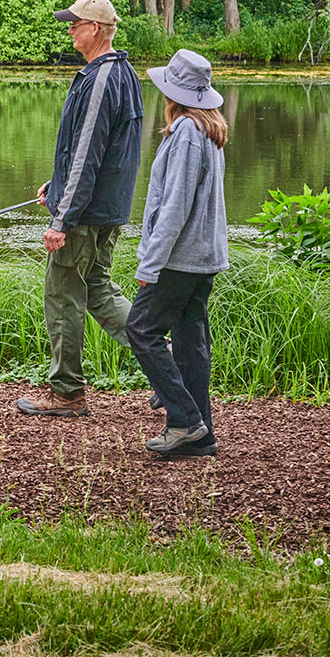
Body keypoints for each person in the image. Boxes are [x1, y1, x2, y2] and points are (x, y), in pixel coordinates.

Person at [15, 0, 143, 418]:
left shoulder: (102, 77)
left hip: (86, 215)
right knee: (100, 289)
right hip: (103, 208)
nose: (69, 29)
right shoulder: (119, 73)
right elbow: (95, 152)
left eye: (75, 23)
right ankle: (167, 363)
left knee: (64, 294)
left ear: (96, 29)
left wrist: (63, 217)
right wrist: (59, 184)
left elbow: (89, 151)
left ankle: (67, 393)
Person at [128, 49, 228, 457]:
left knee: (141, 329)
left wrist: (150, 262)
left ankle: (185, 419)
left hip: (181, 258)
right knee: (189, 340)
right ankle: (200, 435)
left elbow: (175, 205)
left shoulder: (187, 131)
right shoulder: (207, 128)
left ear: (174, 92)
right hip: (203, 257)